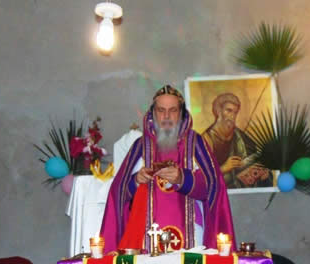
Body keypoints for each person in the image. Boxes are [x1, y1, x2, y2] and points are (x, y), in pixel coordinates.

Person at [99, 84, 235, 253]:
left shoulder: (196, 143)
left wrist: (183, 179)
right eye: (161, 110)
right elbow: (118, 194)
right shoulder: (140, 146)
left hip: (191, 234)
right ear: (153, 114)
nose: (166, 116)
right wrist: (136, 181)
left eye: (173, 110)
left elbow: (213, 187)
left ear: (182, 113)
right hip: (146, 235)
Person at [201, 93, 271, 189]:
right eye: (229, 111)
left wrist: (263, 172)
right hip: (221, 190)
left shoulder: (239, 134)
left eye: (235, 112)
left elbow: (255, 157)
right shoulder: (206, 139)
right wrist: (224, 168)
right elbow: (201, 175)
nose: (232, 116)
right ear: (218, 111)